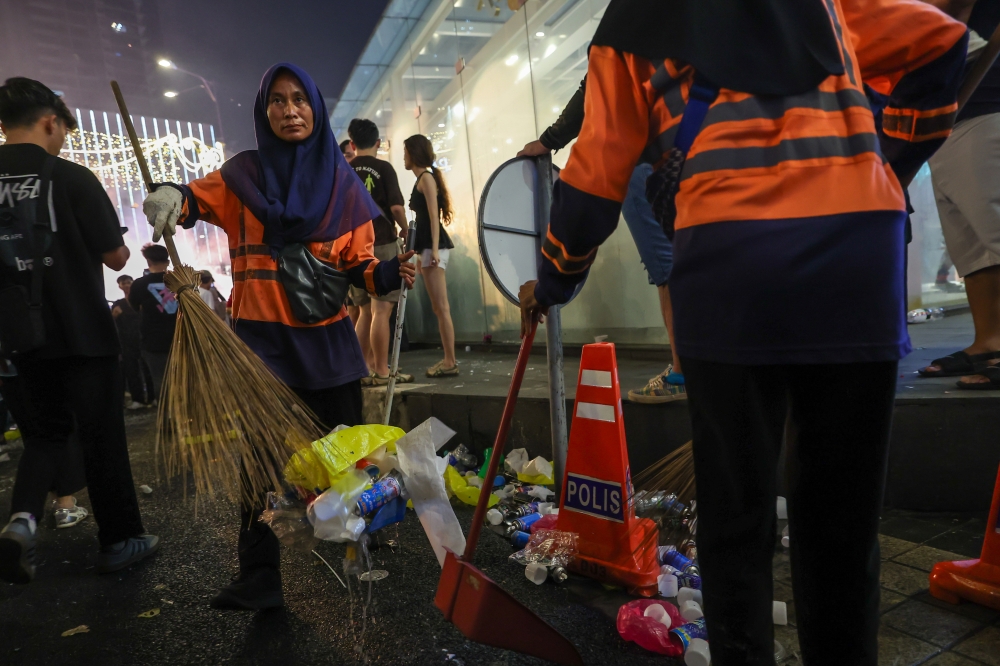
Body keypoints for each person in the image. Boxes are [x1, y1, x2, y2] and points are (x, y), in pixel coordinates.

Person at [516, 2, 966, 663]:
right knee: (841, 527)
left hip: (731, 263)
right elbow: (941, 41)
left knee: (737, 518)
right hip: (857, 256)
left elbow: (594, 179)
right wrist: (887, 163)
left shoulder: (634, 22)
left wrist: (553, 281)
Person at [141, 63, 414, 610]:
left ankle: (361, 547)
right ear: (264, 110)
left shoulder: (342, 184)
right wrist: (171, 195)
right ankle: (260, 576)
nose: (290, 110)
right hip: (261, 349)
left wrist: (389, 273)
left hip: (327, 346)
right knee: (258, 466)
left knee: (346, 457)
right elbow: (193, 201)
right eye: (278, 101)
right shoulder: (243, 176)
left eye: (299, 100)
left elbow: (359, 267)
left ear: (316, 108)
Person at [0, 77, 158, 583]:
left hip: (18, 337)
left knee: (43, 437)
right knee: (101, 438)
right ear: (51, 121)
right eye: (64, 130)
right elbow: (116, 257)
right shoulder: (70, 177)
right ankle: (120, 540)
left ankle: (22, 521)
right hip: (82, 333)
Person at [520, 78, 685, 402]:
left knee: (668, 269)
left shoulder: (624, 55)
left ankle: (683, 373)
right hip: (695, 154)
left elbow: (596, 86)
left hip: (648, 157)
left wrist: (550, 140)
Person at [919, 0, 1000, 388]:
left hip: (987, 102)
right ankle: (989, 341)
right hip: (951, 109)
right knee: (972, 246)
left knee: (994, 232)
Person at [347, 118, 413, 385]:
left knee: (363, 311)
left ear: (352, 144)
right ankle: (383, 372)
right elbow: (396, 207)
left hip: (354, 247)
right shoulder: (384, 168)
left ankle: (362, 370)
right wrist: (405, 229)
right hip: (382, 241)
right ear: (378, 143)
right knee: (381, 311)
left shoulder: (345, 169)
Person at [0, 357, 89, 528]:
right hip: (38, 363)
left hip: (8, 372)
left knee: (33, 435)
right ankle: (65, 507)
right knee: (56, 432)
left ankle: (54, 501)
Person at [404, 134, 457, 377]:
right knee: (439, 307)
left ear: (413, 153)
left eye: (405, 152)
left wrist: (434, 249)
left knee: (441, 307)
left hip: (433, 247)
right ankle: (448, 359)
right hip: (427, 247)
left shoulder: (426, 178)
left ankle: (450, 361)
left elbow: (434, 217)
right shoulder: (424, 178)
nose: (404, 157)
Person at [127, 243, 178, 403]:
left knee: (161, 382)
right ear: (168, 261)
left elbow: (135, 307)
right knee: (187, 378)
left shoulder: (139, 284)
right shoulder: (181, 281)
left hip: (153, 342)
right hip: (183, 338)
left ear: (148, 261)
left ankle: (168, 415)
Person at [111, 274, 152, 409]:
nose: (127, 285)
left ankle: (153, 397)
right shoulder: (118, 304)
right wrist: (114, 315)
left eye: (129, 282)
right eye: (123, 283)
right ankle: (138, 398)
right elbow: (112, 321)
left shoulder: (141, 302)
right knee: (132, 371)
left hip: (144, 339)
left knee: (148, 369)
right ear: (119, 286)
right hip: (126, 341)